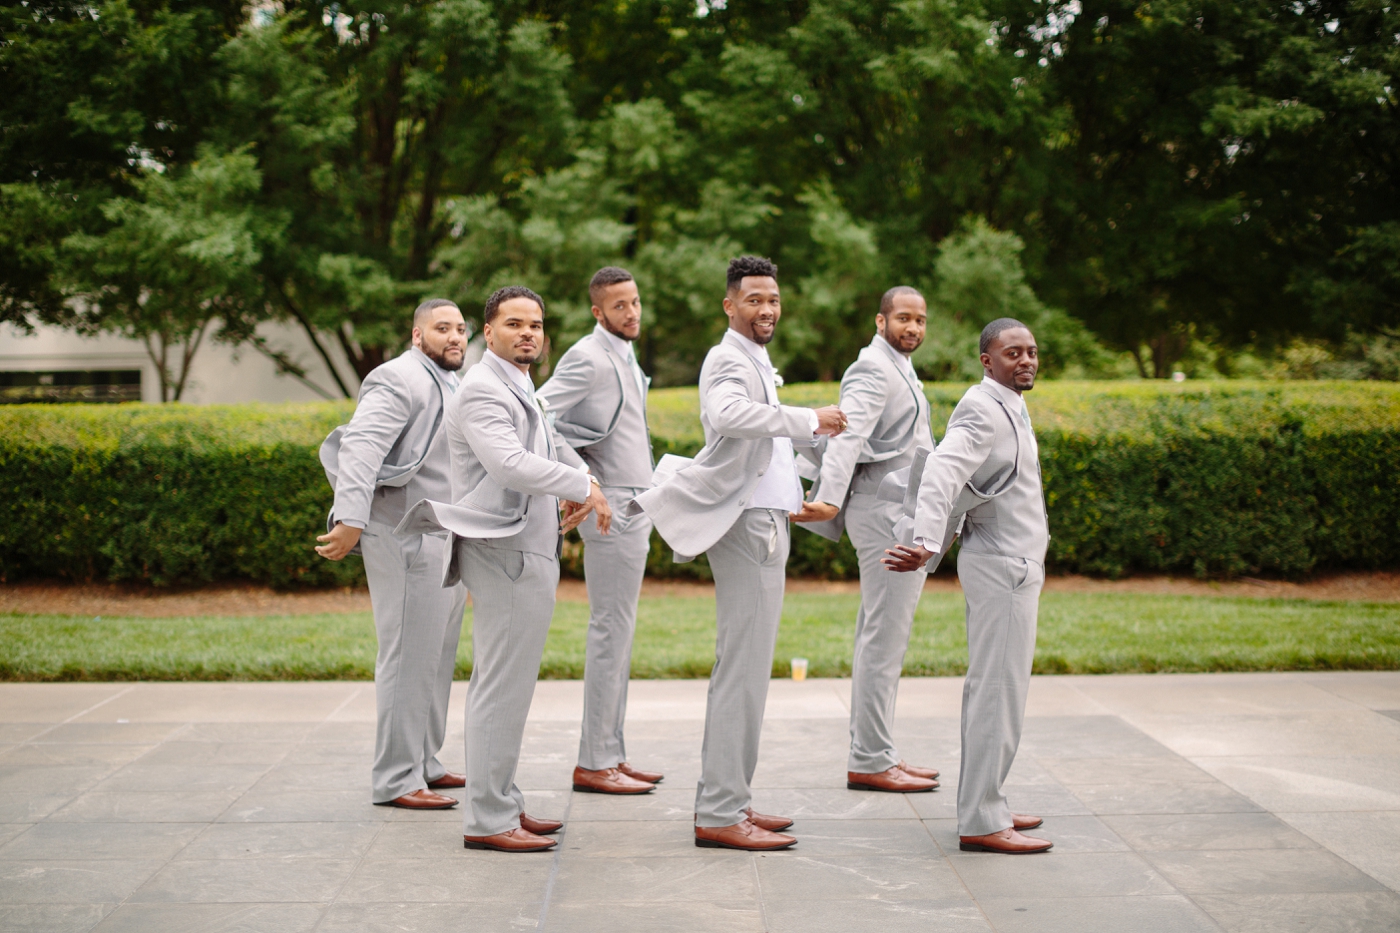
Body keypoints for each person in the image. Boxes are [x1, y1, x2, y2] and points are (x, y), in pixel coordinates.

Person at [628, 256, 848, 851]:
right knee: (741, 672)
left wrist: (792, 493)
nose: (767, 309)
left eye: (773, 299)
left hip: (766, 521)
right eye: (754, 300)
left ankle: (734, 800)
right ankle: (721, 812)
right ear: (730, 305)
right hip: (747, 531)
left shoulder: (755, 358)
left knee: (751, 672)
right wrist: (810, 419)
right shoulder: (726, 356)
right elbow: (728, 416)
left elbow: (758, 450)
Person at [396, 286, 613, 853]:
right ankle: (489, 821)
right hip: (505, 553)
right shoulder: (482, 389)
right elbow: (509, 464)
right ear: (487, 332)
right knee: (500, 686)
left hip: (528, 549)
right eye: (514, 323)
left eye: (536, 324)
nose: (528, 333)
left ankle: (504, 802)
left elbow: (549, 440)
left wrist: (581, 474)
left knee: (512, 686)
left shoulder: (520, 385)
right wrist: (582, 485)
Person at [883, 317, 1053, 854]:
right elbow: (941, 472)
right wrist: (928, 541)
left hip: (1016, 566)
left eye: (1030, 352)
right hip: (1002, 568)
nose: (1025, 360)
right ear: (988, 360)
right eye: (1012, 353)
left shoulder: (1011, 404)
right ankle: (981, 820)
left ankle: (990, 802)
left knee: (1005, 695)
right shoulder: (982, 407)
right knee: (996, 695)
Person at [315, 299, 470, 811]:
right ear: (416, 334)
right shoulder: (396, 378)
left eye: (460, 329)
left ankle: (425, 761)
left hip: (445, 534)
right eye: (441, 328)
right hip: (400, 533)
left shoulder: (455, 381)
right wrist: (349, 520)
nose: (453, 337)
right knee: (407, 654)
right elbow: (360, 449)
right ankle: (396, 779)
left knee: (436, 653)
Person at [792, 286, 942, 793]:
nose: (913, 328)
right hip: (883, 514)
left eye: (920, 320)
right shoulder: (874, 368)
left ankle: (877, 752)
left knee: (879, 635)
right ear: (880, 321)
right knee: (884, 638)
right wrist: (828, 498)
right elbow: (848, 433)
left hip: (895, 509)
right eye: (904, 318)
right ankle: (872, 761)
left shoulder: (899, 367)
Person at [537, 267, 662, 796]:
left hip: (639, 504)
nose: (630, 313)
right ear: (597, 312)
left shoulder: (625, 353)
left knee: (621, 630)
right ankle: (594, 762)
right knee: (610, 630)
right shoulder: (587, 356)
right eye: (618, 306)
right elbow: (539, 413)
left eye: (634, 302)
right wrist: (583, 478)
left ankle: (612, 752)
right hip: (611, 508)